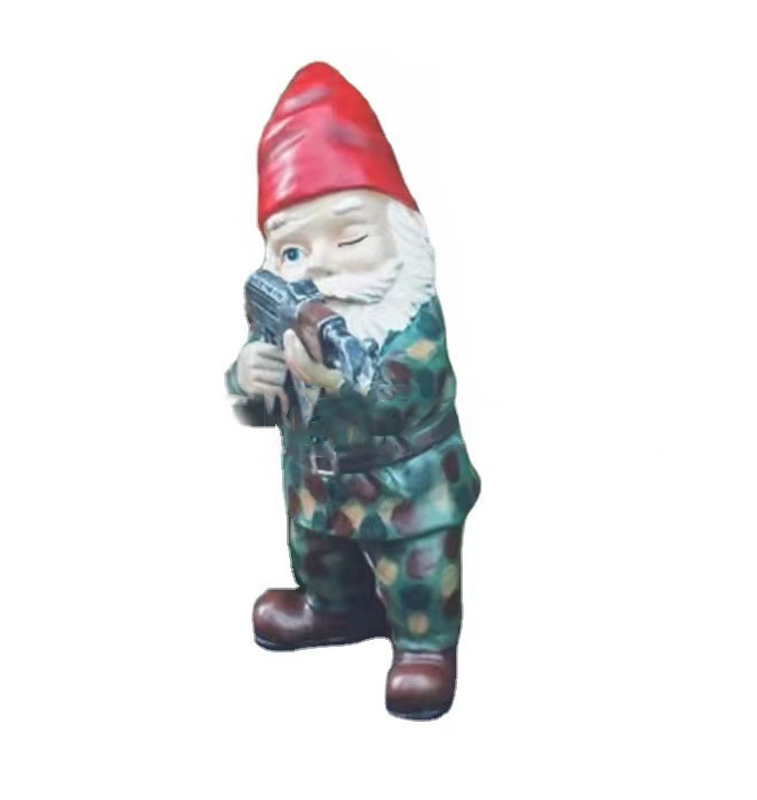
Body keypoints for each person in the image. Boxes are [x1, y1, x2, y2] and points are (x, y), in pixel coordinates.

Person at [226, 62, 480, 720]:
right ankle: (335, 608)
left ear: (401, 236)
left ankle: (424, 647)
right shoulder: (282, 313)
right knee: (319, 554)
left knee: (420, 574)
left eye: (351, 236)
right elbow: (257, 409)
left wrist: (333, 381)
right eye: (292, 251)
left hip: (410, 492)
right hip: (318, 489)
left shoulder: (409, 319)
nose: (321, 264)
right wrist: (248, 378)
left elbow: (404, 395)